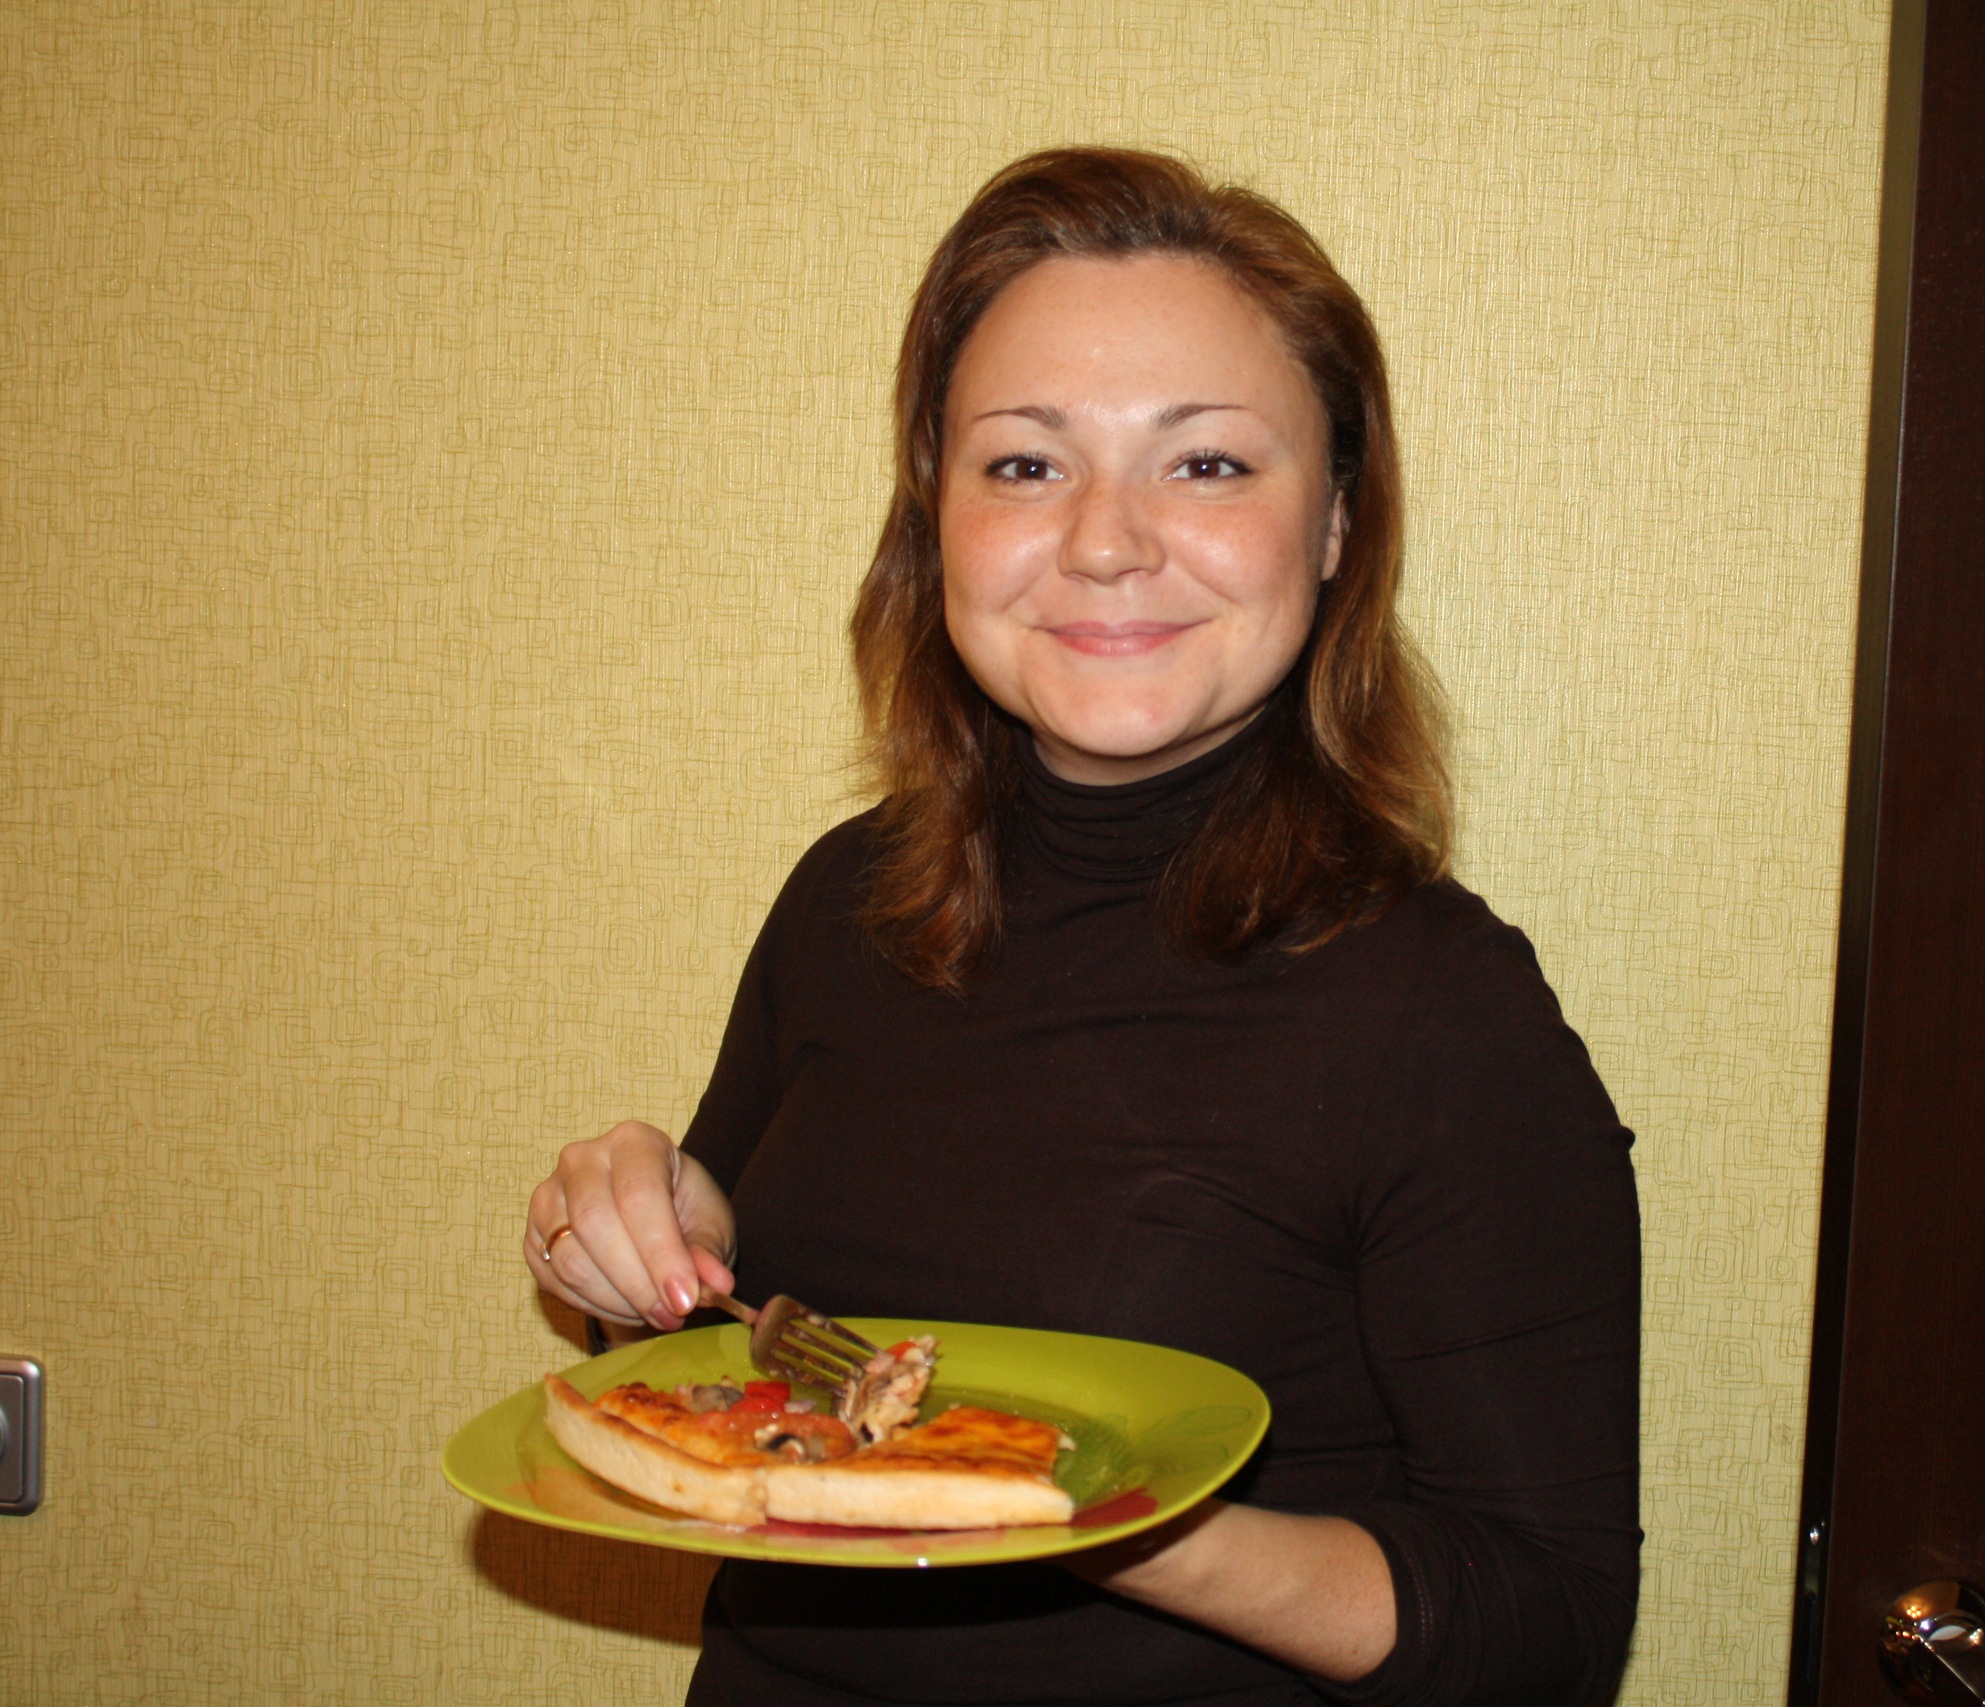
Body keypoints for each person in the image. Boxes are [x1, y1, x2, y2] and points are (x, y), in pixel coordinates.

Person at [522, 147, 1641, 1707]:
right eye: (1027, 466)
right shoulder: (848, 897)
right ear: (936, 514)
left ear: (1336, 523)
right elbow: (741, 1382)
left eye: (1208, 464)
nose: (1107, 542)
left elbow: (1545, 1628)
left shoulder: (1442, 1013)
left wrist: (1077, 1505)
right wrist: (644, 1251)